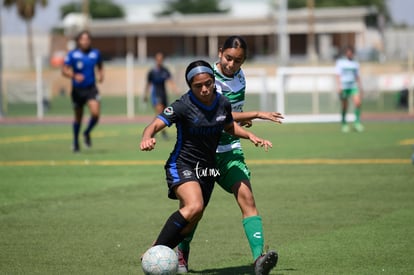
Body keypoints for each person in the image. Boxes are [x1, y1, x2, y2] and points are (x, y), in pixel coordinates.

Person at [140, 60, 272, 264]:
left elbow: (228, 126)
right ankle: (156, 249)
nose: (204, 89)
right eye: (198, 85)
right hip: (182, 164)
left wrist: (250, 136)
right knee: (194, 206)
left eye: (208, 83)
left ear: (213, 81)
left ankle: (173, 253)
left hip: (208, 168)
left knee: (195, 215)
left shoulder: (222, 103)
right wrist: (146, 137)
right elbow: (155, 124)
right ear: (190, 86)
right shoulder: (183, 105)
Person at [177, 36, 283, 275]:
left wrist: (245, 121)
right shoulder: (205, 79)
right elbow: (216, 115)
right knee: (195, 209)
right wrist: (257, 114)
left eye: (239, 61)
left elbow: (233, 114)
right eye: (228, 58)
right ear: (220, 52)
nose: (232, 65)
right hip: (203, 154)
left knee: (247, 197)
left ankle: (258, 260)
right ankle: (181, 255)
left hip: (229, 151)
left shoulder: (241, 78)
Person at [62, 30, 104, 152]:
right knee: (78, 118)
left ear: (90, 41)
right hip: (77, 90)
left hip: (91, 88)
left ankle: (86, 133)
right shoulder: (72, 54)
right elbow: (64, 70)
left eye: (87, 39)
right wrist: (74, 76)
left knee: (95, 114)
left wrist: (101, 75)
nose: (85, 41)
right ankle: (75, 142)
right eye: (83, 39)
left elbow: (100, 65)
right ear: (79, 41)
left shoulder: (96, 53)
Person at [144, 52, 179, 139]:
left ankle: (154, 129)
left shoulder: (165, 70)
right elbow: (148, 84)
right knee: (159, 111)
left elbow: (170, 81)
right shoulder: (152, 72)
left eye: (161, 59)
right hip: (155, 94)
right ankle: (156, 131)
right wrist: (145, 95)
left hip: (163, 94)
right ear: (156, 60)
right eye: (158, 59)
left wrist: (175, 90)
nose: (159, 61)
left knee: (163, 113)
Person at [335, 45, 364, 133]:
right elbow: (338, 75)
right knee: (345, 106)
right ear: (346, 53)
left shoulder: (355, 64)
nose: (349, 54)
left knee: (358, 103)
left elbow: (357, 76)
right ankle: (344, 123)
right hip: (344, 87)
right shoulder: (340, 62)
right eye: (348, 52)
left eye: (351, 52)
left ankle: (357, 123)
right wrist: (339, 86)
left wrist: (360, 87)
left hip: (353, 86)